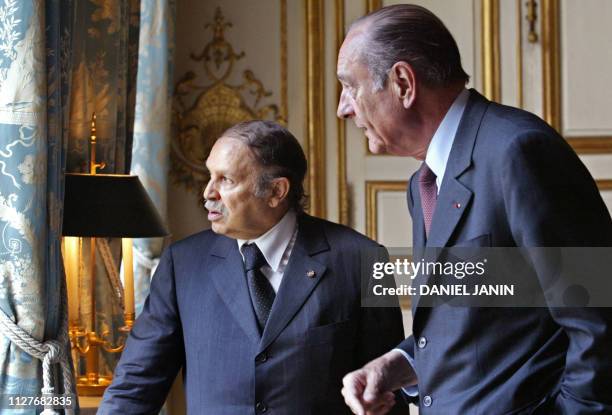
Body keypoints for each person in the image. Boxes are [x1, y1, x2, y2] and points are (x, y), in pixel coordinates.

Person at [337, 4, 612, 414]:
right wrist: (401, 365)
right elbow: (481, 319)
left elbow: (600, 323)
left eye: (350, 87)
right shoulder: (423, 183)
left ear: (402, 83)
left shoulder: (518, 153)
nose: (344, 107)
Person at [98, 120, 407, 414]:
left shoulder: (363, 259)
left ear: (276, 191)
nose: (208, 193)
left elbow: (388, 391)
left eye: (226, 180)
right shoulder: (182, 264)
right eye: (210, 176)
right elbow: (136, 385)